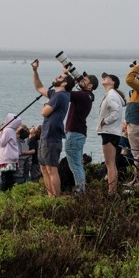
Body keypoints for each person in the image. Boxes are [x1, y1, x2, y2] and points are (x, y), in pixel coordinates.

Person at [37, 65, 96, 194]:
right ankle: (80, 190)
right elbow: (63, 89)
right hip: (78, 133)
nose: (81, 80)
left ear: (90, 86)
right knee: (76, 164)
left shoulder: (82, 95)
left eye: (85, 80)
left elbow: (62, 91)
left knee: (75, 165)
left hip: (75, 133)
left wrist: (68, 79)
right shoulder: (88, 95)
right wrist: (67, 79)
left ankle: (80, 191)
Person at [32, 59, 71, 198]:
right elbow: (39, 87)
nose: (56, 78)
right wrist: (35, 70)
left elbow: (44, 112)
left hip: (52, 136)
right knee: (44, 168)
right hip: (46, 135)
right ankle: (50, 196)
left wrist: (46, 105)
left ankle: (55, 196)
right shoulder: (56, 94)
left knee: (51, 169)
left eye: (60, 77)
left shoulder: (60, 95)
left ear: (65, 83)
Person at [96, 73, 127, 193]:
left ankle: (111, 191)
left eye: (107, 77)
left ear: (112, 82)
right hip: (113, 132)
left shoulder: (111, 95)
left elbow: (116, 111)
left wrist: (105, 121)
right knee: (111, 163)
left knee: (110, 163)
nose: (104, 78)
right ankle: (112, 190)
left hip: (109, 132)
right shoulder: (113, 95)